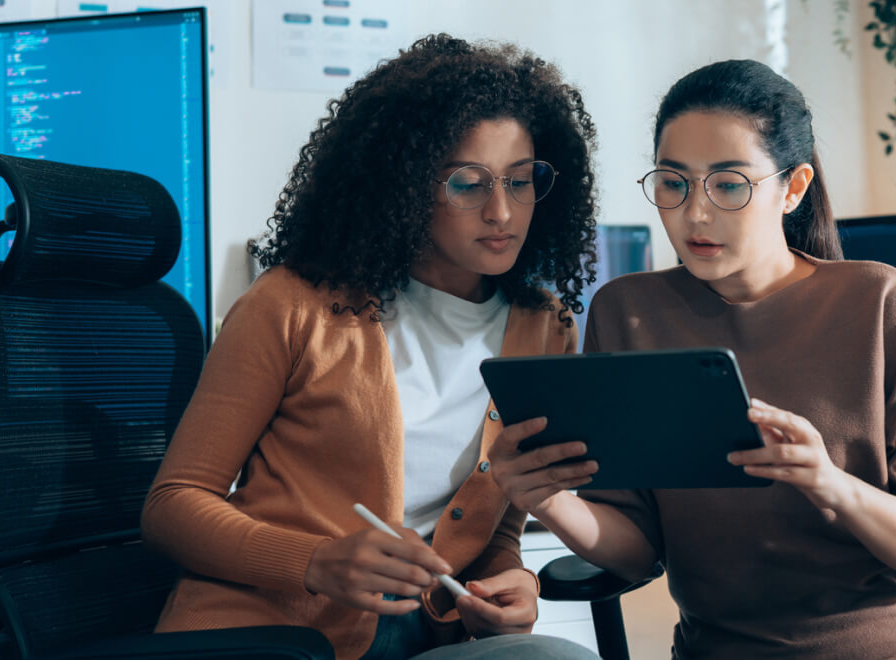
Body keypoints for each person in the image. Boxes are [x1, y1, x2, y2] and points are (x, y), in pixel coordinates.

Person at [486, 59, 896, 659]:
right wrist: (547, 500)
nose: (695, 214)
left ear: (794, 188)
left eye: (729, 184)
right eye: (673, 183)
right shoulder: (627, 313)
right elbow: (637, 549)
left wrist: (829, 483)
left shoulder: (880, 301)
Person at [142, 34, 600, 660]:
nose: (502, 211)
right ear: (403, 186)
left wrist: (509, 577)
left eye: (521, 182)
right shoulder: (291, 304)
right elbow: (172, 506)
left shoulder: (544, 330)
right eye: (468, 184)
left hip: (423, 636)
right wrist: (316, 562)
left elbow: (496, 511)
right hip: (267, 634)